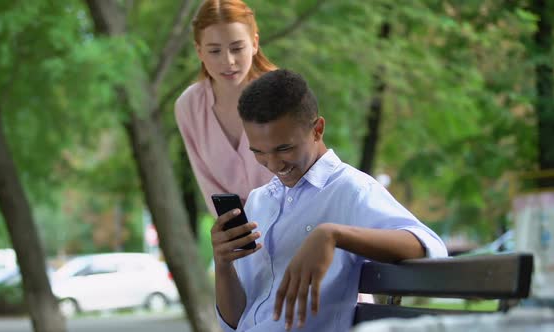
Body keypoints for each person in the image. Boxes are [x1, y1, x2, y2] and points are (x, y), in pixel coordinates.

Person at [211, 69, 448, 332]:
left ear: (318, 130)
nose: (274, 164)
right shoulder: (258, 202)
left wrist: (332, 234)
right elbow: (234, 322)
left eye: (284, 149)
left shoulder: (351, 191)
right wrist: (223, 264)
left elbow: (430, 247)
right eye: (259, 153)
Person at [175, 0, 277, 215]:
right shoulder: (189, 107)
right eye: (214, 51)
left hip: (300, 227)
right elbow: (209, 186)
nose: (228, 61)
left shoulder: (283, 94)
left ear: (254, 43)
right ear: (199, 51)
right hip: (239, 238)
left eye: (237, 48)